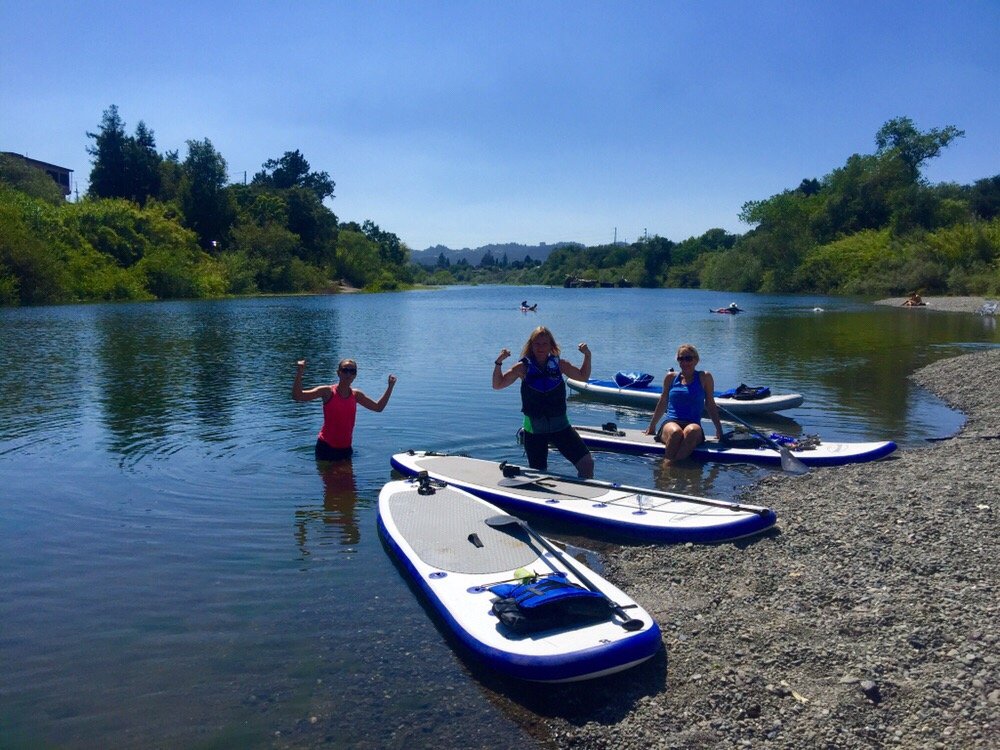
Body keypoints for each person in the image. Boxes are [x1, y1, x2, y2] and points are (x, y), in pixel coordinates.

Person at [493, 326, 594, 478]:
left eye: (544, 344)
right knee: (539, 472)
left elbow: (583, 377)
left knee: (587, 464)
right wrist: (499, 362)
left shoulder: (560, 364)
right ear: (531, 345)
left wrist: (587, 355)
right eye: (537, 344)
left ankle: (584, 489)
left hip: (560, 425)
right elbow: (497, 385)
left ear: (551, 346)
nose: (540, 348)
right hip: (534, 429)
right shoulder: (522, 368)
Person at [292, 358, 396, 461]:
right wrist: (299, 372)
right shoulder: (327, 392)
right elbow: (298, 396)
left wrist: (390, 386)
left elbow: (378, 407)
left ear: (355, 375)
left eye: (352, 371)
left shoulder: (356, 395)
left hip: (346, 449)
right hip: (326, 447)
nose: (348, 374)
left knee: (347, 473)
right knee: (331, 472)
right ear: (338, 373)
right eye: (345, 370)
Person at [645, 344, 723, 463]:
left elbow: (710, 404)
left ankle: (670, 466)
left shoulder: (705, 377)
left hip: (693, 424)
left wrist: (719, 429)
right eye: (681, 359)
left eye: (688, 358)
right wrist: (652, 426)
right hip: (671, 423)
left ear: (696, 360)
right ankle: (670, 467)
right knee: (676, 432)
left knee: (691, 431)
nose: (685, 362)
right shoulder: (670, 378)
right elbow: (663, 402)